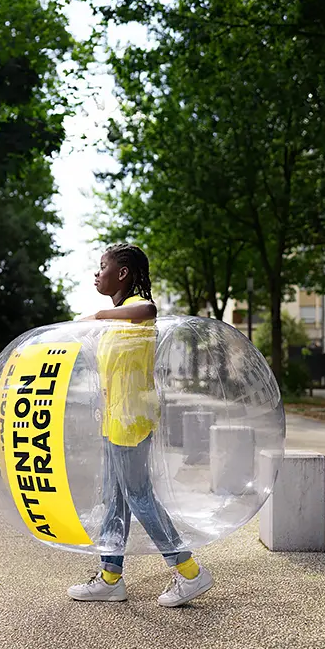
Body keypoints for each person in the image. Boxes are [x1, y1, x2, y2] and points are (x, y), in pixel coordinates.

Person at [67, 244, 213, 608]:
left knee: (139, 496)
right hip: (115, 420)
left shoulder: (137, 310)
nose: (97, 273)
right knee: (114, 499)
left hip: (131, 421)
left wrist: (97, 315)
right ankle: (110, 578)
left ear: (122, 273)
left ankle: (190, 572)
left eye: (103, 266)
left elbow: (150, 309)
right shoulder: (117, 321)